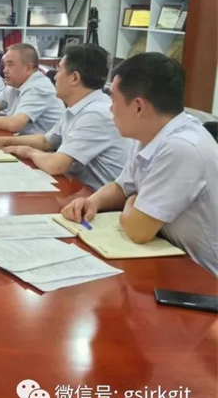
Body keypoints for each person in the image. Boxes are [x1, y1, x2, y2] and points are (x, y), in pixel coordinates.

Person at [62, 53, 218, 276]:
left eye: (114, 101)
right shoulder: (149, 133)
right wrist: (92, 202)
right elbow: (122, 186)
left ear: (138, 107)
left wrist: (134, 199)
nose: (110, 109)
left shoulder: (182, 148)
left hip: (204, 278)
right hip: (169, 257)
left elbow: (138, 230)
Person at [0, 44, 128, 190]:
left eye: (59, 70)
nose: (55, 77)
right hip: (79, 188)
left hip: (97, 197)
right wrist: (2, 141)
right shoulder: (78, 106)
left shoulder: (95, 114)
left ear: (75, 78)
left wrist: (28, 151)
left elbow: (56, 165)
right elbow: (46, 141)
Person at [0, 43, 64, 135]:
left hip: (44, 148)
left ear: (28, 68)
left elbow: (15, 125)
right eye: (5, 65)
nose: (5, 70)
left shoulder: (38, 88)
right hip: (24, 141)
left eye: (10, 65)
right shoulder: (15, 84)